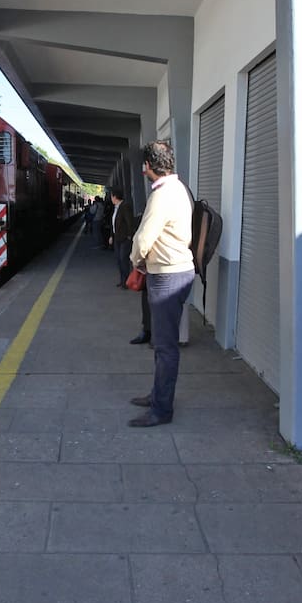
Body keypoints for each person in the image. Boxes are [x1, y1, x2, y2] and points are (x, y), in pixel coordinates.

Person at [126, 139, 195, 427]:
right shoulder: (178, 189)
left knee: (165, 347)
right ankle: (157, 396)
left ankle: (162, 410)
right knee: (162, 344)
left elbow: (144, 239)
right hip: (175, 272)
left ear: (147, 167)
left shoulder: (162, 195)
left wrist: (135, 260)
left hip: (167, 276)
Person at [109, 188, 136, 287]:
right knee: (119, 260)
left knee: (123, 259)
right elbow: (113, 223)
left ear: (115, 197)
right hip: (117, 238)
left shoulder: (125, 207)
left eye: (111, 196)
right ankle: (122, 280)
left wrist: (129, 237)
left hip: (124, 239)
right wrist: (111, 236)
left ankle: (127, 281)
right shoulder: (116, 208)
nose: (111, 198)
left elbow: (130, 223)